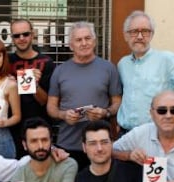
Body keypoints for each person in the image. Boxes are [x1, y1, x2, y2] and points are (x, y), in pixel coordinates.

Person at [47, 21, 122, 170]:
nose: (84, 43)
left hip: (99, 145)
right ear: (71, 45)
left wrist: (105, 112)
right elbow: (50, 108)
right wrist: (63, 115)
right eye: (78, 40)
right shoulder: (60, 71)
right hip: (68, 144)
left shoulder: (108, 68)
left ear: (94, 41)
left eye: (88, 38)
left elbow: (118, 103)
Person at [117, 11, 174, 135]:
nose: (140, 37)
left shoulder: (167, 60)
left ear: (151, 35)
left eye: (145, 31)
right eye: (134, 31)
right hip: (125, 134)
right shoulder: (123, 64)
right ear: (126, 36)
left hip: (156, 134)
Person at [9, 19, 55, 159]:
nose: (21, 38)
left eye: (25, 34)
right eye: (17, 35)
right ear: (12, 38)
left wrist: (34, 84)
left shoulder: (47, 63)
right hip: (11, 130)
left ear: (32, 35)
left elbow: (45, 101)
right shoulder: (5, 61)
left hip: (38, 130)